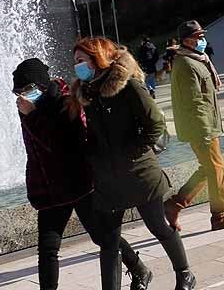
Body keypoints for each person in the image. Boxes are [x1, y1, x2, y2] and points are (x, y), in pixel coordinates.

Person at [13, 58, 150, 290]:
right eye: (18, 91)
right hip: (49, 189)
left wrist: (33, 115)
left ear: (41, 85)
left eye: (27, 89)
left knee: (103, 236)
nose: (21, 96)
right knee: (48, 249)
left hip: (78, 184)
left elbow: (61, 145)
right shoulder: (30, 106)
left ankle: (139, 268)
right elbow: (35, 150)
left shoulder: (65, 101)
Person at [70, 37, 196, 290]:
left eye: (81, 60)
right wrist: (90, 154)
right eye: (75, 62)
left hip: (140, 173)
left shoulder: (128, 87)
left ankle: (184, 274)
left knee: (158, 226)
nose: (77, 67)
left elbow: (155, 125)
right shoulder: (87, 93)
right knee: (109, 241)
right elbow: (93, 134)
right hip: (107, 179)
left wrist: (131, 152)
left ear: (98, 57)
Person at [164, 21, 224, 233]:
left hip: (207, 125)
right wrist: (204, 132)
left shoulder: (197, 59)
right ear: (187, 40)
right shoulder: (185, 63)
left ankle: (175, 204)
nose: (202, 40)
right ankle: (220, 216)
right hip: (201, 127)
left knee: (209, 168)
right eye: (198, 36)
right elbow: (193, 102)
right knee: (216, 168)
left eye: (202, 36)